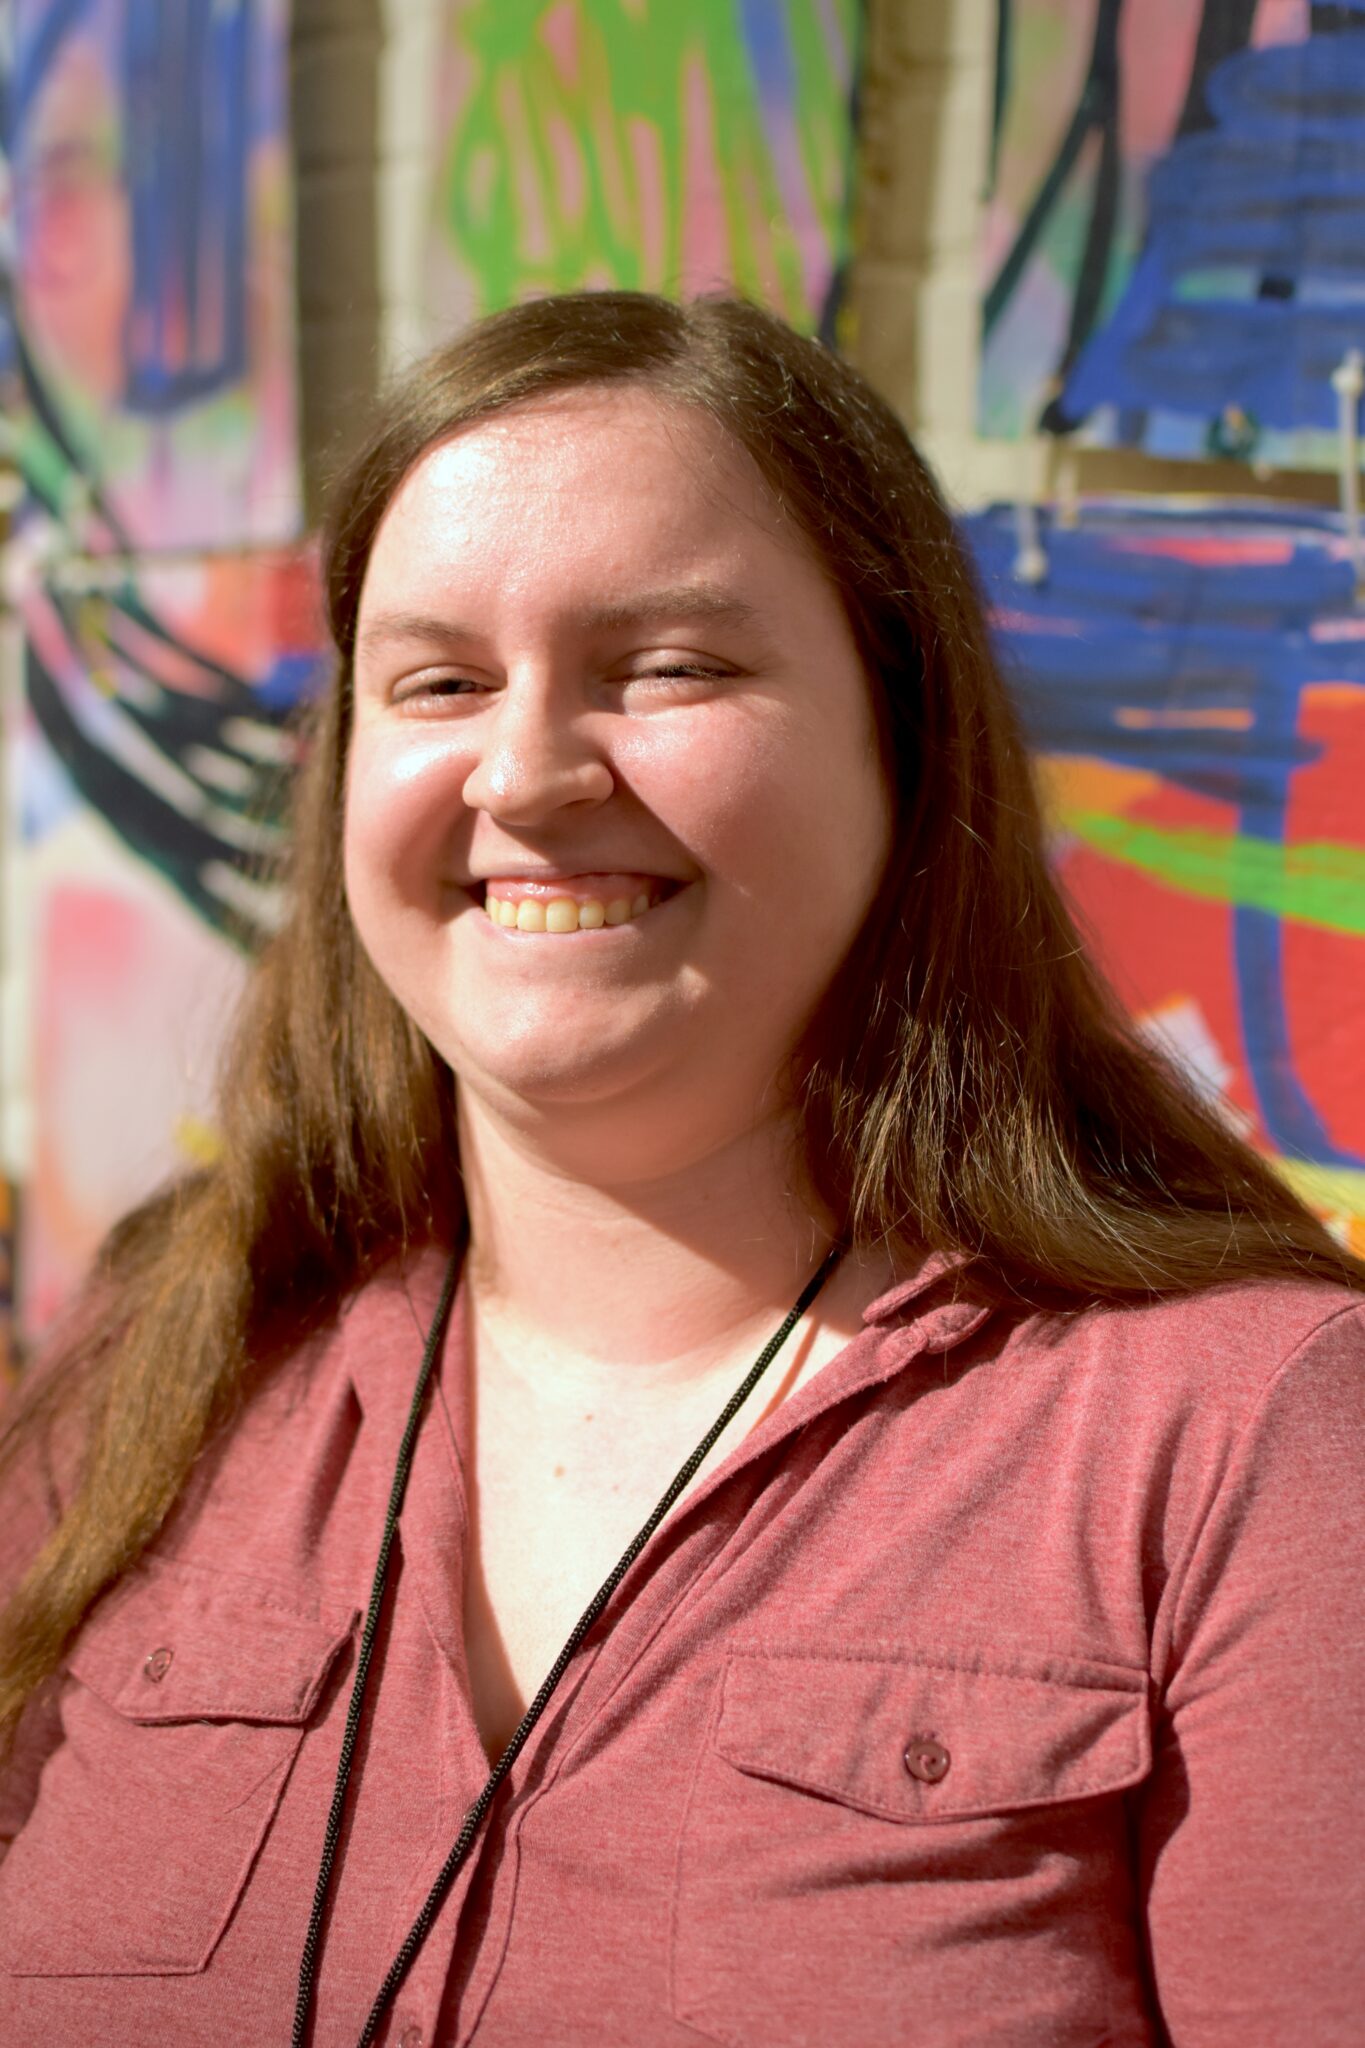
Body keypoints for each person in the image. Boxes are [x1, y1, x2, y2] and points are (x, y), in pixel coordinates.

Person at [0, 291, 1361, 2048]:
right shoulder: (172, 1355)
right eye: (439, 682)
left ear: (901, 739)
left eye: (666, 666)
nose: (524, 771)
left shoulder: (1246, 1443)